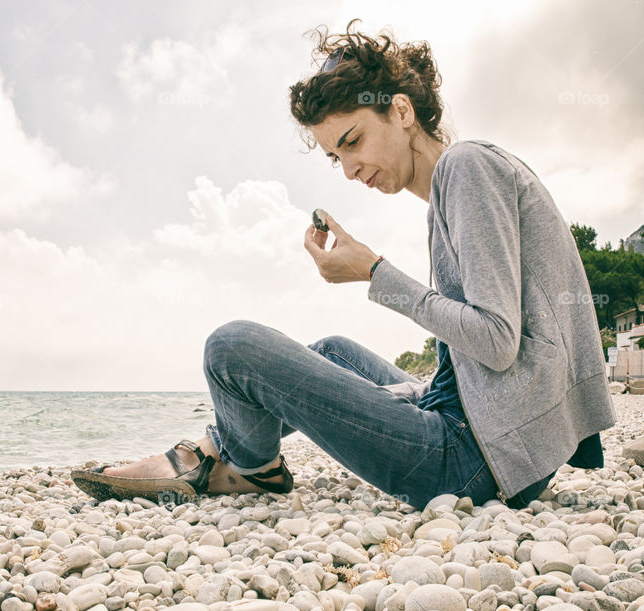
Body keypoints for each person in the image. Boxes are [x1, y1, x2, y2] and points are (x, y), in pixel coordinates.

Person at [72, 19, 616, 510]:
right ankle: (227, 452)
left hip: (477, 461)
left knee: (230, 347)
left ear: (401, 110)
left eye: (353, 141)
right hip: (492, 428)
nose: (351, 169)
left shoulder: (465, 168)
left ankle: (238, 465)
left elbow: (497, 340)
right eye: (336, 156)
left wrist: (375, 273)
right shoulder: (453, 192)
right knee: (335, 351)